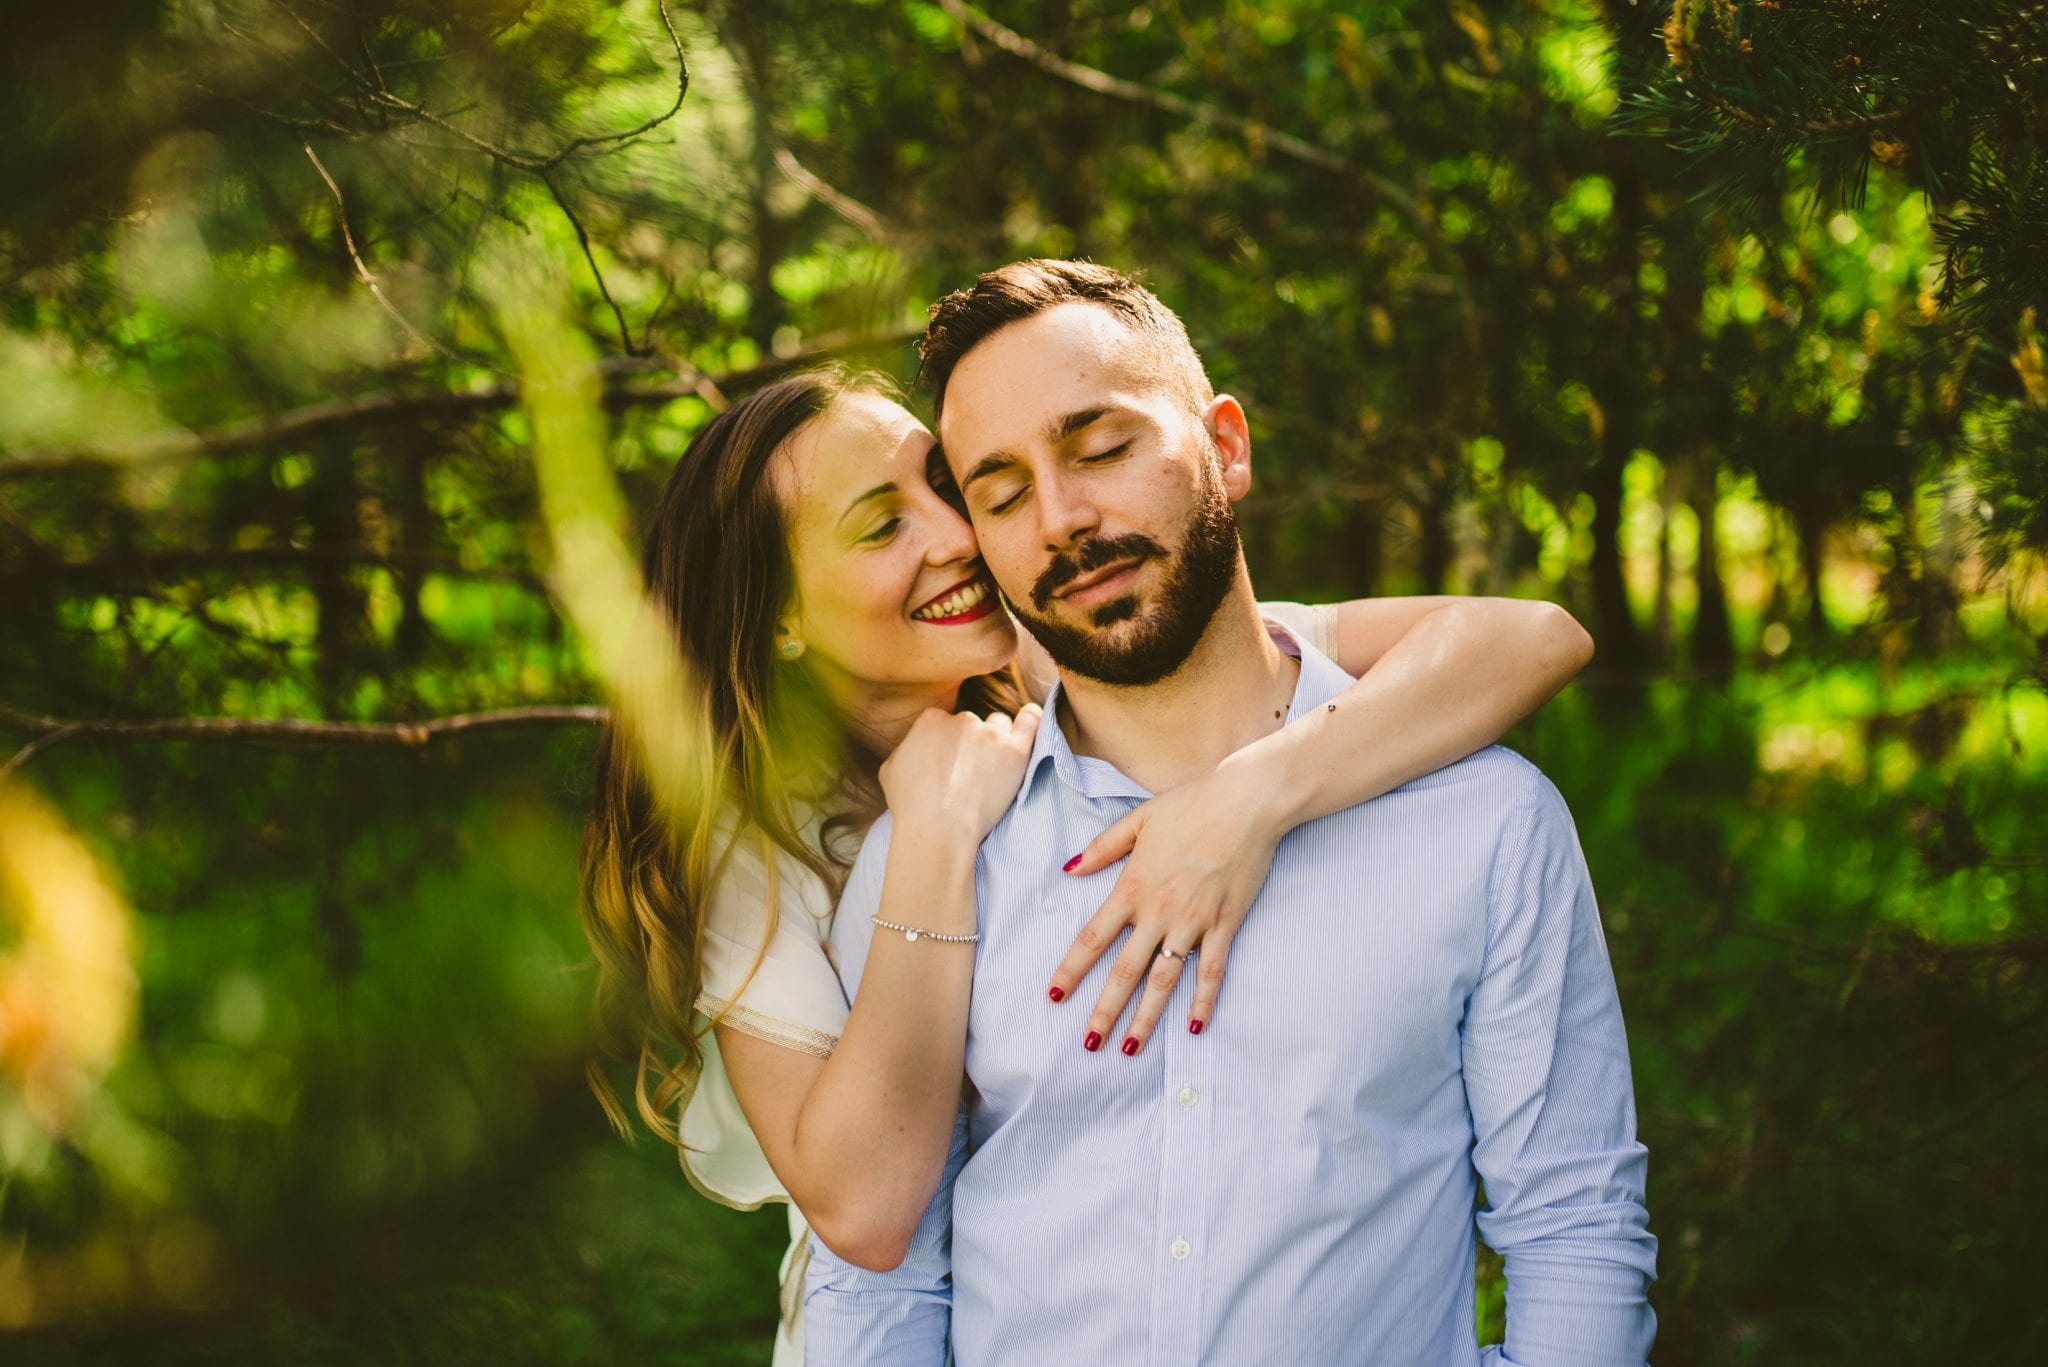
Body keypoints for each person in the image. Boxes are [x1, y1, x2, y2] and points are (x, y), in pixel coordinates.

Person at [579, 359, 1596, 1360]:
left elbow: (1527, 637)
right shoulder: (757, 849)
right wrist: (931, 837)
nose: (955, 537)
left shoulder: (1065, 654)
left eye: (945, 488)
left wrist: (1250, 793)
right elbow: (868, 1213)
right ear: (780, 619)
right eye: (881, 525)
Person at [803, 260, 1656, 1366]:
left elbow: (1571, 1228)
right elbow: (881, 1281)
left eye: (1101, 447)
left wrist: (1255, 790)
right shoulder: (936, 851)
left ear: (1226, 445)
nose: (1062, 519)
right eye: (1002, 493)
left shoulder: (1483, 825)